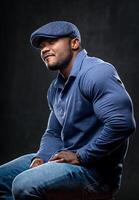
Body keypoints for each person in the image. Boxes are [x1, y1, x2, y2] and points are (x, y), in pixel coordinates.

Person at [0, 21, 136, 200]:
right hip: (64, 159)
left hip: (95, 175)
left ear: (74, 43)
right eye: (42, 46)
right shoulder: (55, 88)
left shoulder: (97, 73)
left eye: (52, 42)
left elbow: (122, 124)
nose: (45, 49)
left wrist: (81, 156)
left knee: (24, 184)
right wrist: (41, 158)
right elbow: (54, 133)